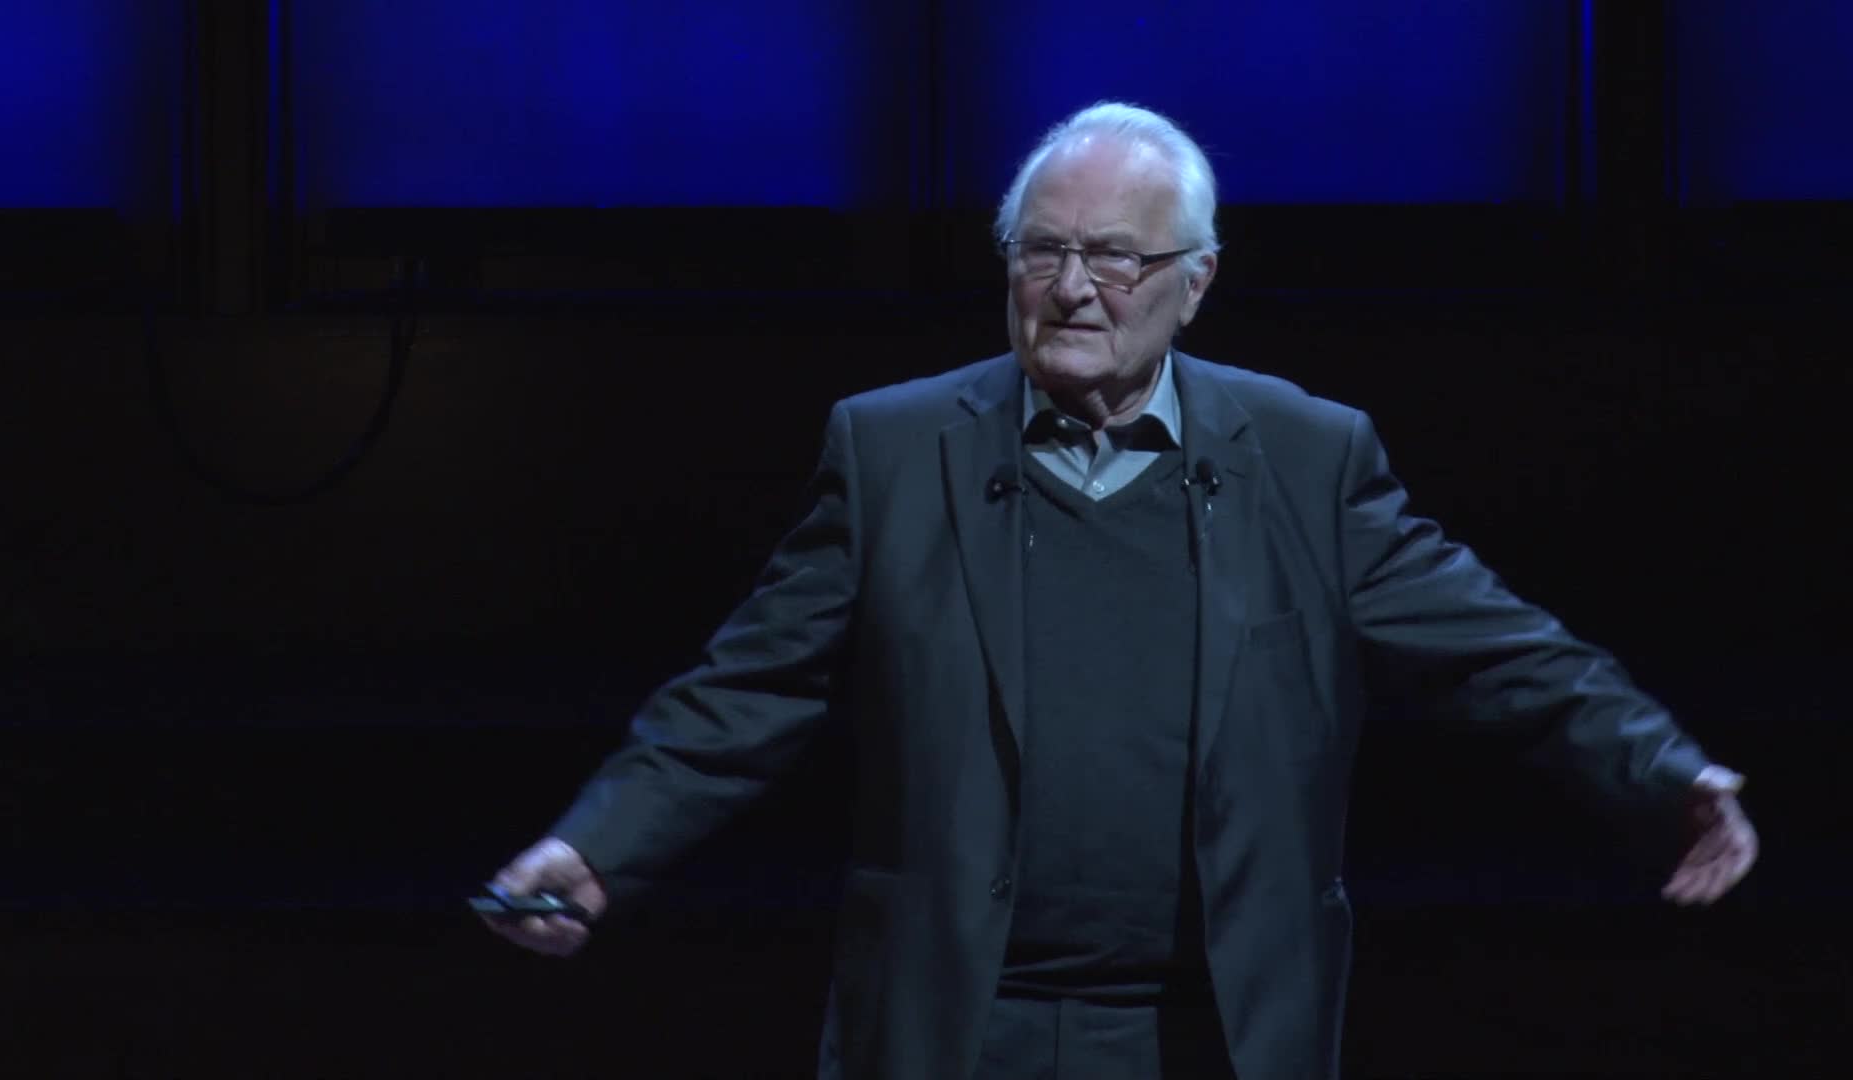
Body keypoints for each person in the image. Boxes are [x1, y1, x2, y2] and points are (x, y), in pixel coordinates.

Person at [482, 102, 1759, 1079]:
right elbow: (741, 696)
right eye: (1043, 251)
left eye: (1115, 256)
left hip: (1212, 1026)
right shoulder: (892, 452)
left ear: (1195, 282)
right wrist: (596, 847)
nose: (1075, 286)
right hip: (956, 1022)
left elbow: (1501, 654)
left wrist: (1666, 773)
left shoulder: (1307, 459)